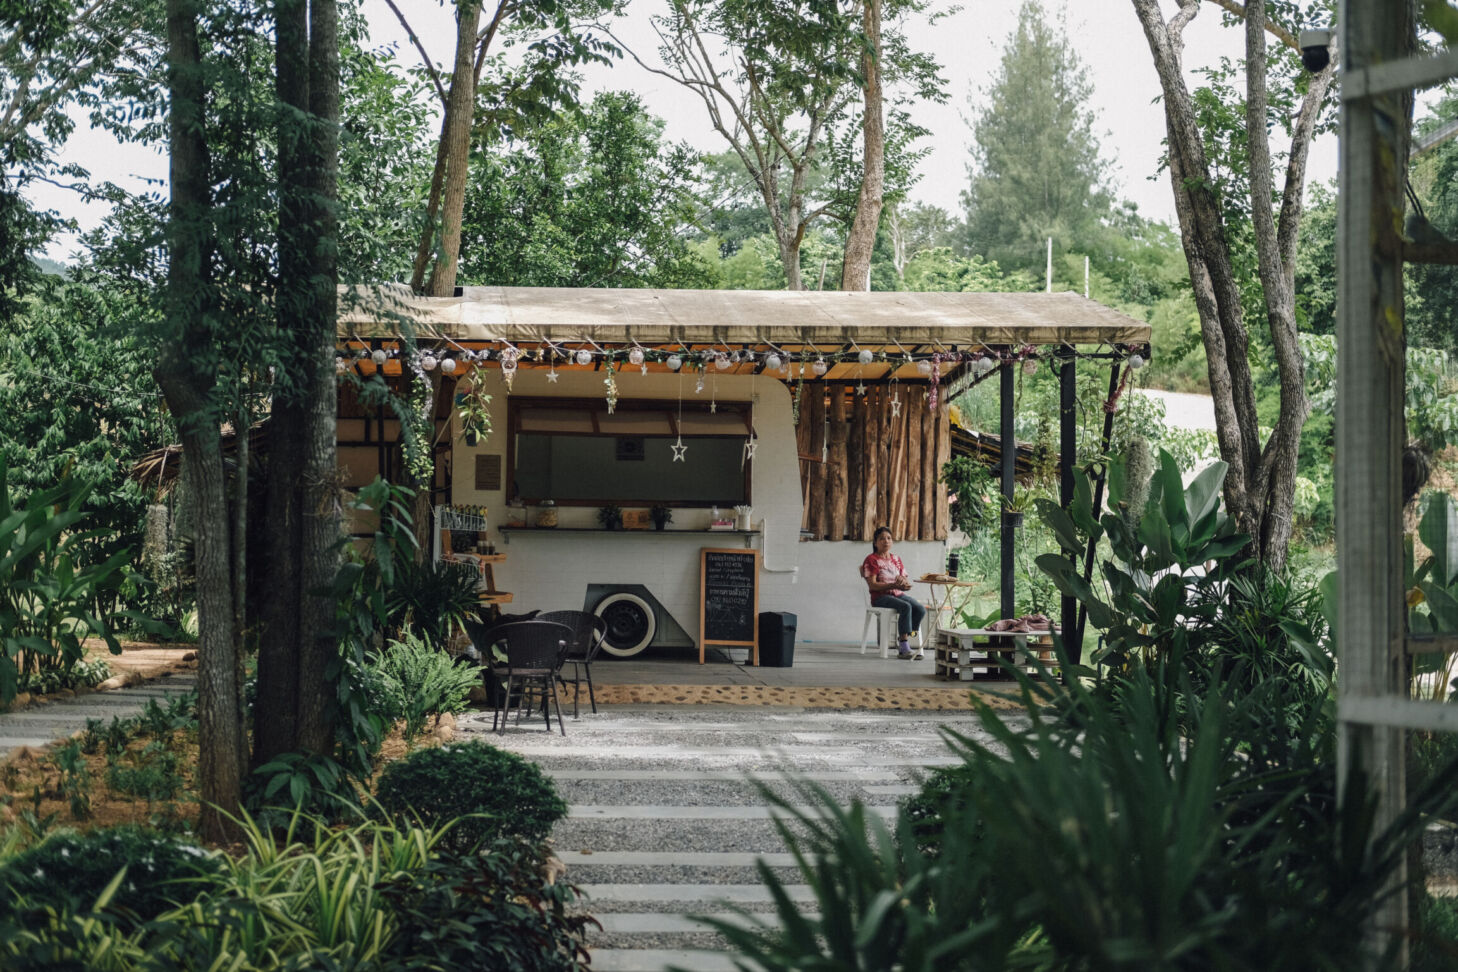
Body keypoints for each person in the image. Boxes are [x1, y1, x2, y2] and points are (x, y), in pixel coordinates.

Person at [861, 526, 927, 659]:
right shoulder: (871, 559)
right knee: (906, 607)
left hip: (898, 594)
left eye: (889, 538)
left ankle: (908, 634)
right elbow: (873, 585)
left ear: (892, 541)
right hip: (880, 597)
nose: (886, 541)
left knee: (920, 609)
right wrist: (893, 585)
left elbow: (904, 578)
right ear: (875, 543)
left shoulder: (896, 559)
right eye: (882, 539)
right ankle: (903, 646)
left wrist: (903, 582)